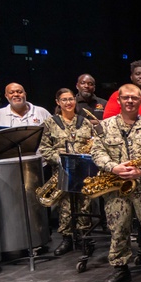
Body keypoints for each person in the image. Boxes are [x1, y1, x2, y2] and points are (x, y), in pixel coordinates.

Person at [91, 84, 141, 282]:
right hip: (116, 188)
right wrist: (114, 167)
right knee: (118, 229)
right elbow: (97, 153)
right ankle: (120, 269)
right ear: (118, 100)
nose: (129, 101)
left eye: (134, 98)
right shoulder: (103, 127)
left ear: (140, 101)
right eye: (125, 98)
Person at [40, 88, 95, 255]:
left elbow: (94, 144)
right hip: (62, 170)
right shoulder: (50, 123)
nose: (68, 102)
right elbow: (44, 148)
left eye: (71, 99)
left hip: (84, 170)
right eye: (64, 100)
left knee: (85, 204)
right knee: (65, 206)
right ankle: (67, 239)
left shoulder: (84, 122)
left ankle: (84, 237)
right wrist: (61, 159)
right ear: (58, 102)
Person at [0, 82, 52, 156]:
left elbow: (56, 133)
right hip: (10, 162)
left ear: (25, 94)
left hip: (40, 162)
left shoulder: (41, 111)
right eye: (11, 92)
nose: (16, 94)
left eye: (19, 92)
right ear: (6, 96)